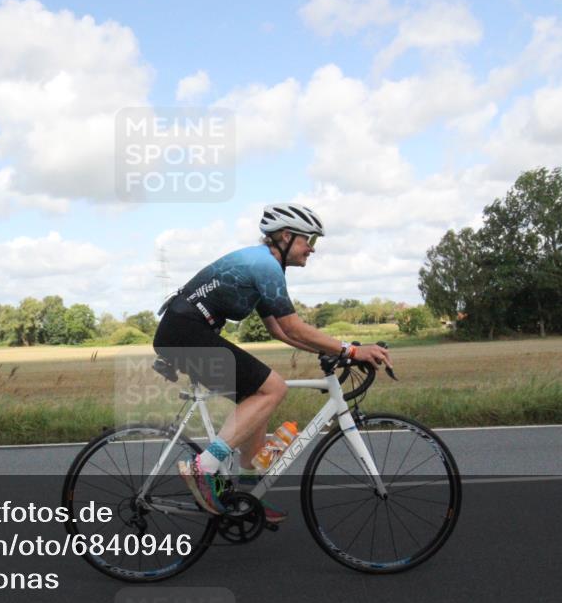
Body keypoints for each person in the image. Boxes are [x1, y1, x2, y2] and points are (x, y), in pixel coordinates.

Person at [153, 203, 393, 523]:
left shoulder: (267, 267)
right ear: (285, 236)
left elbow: (279, 330)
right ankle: (203, 468)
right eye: (310, 240)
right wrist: (351, 351)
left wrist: (331, 350)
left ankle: (247, 496)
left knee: (257, 396)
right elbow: (293, 327)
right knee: (272, 389)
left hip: (187, 331)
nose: (312, 249)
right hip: (186, 333)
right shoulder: (264, 265)